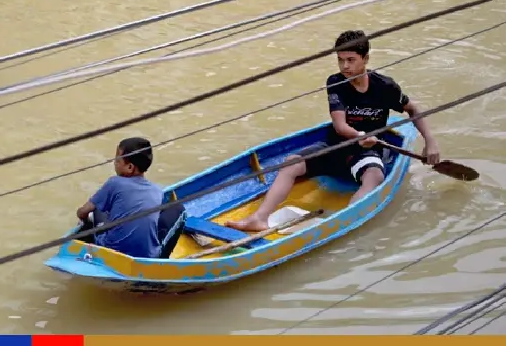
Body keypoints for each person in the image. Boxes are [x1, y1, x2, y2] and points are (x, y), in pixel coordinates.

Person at [228, 30, 443, 232]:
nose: (345, 66)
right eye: (340, 60)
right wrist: (359, 136)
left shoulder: (385, 86)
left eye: (351, 60)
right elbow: (340, 126)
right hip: (336, 146)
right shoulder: (336, 82)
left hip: (366, 151)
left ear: (366, 59)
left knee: (375, 176)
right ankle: (259, 218)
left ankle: (343, 222)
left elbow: (413, 109)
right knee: (290, 163)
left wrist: (430, 142)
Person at [76, 137, 185, 259]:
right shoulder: (157, 191)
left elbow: (82, 212)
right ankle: (161, 260)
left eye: (117, 160)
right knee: (178, 209)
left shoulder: (114, 183)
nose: (114, 163)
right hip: (146, 256)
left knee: (97, 208)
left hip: (110, 250)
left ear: (130, 167)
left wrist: (83, 219)